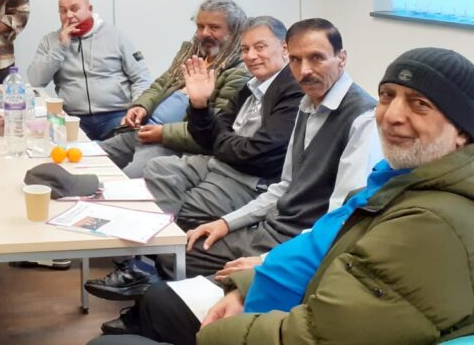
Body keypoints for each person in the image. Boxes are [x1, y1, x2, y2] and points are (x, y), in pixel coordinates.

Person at [91, 47, 474, 345]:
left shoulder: (429, 220)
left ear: (462, 130)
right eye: (388, 96)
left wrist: (216, 333)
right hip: (284, 273)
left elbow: (324, 332)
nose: (391, 115)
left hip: (292, 293)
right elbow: (320, 234)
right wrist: (249, 283)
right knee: (158, 299)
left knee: (153, 304)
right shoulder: (392, 177)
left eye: (420, 105)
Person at [92, 18, 380, 340]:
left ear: (342, 58)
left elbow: (339, 221)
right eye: (297, 59)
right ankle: (156, 311)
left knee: (176, 257)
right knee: (179, 245)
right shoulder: (305, 102)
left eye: (317, 58)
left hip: (294, 243)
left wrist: (266, 260)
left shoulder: (362, 117)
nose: (305, 70)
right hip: (269, 222)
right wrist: (226, 223)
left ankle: (167, 314)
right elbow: (282, 185)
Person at [86, 16, 302, 313]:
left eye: (260, 47)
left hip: (248, 180)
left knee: (168, 213)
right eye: (246, 49)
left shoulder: (292, 90)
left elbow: (257, 151)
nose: (251, 56)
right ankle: (150, 270)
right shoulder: (253, 85)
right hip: (218, 162)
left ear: (285, 49)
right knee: (158, 171)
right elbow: (211, 133)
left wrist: (221, 142)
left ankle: (152, 277)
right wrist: (200, 105)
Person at [96, 0, 250, 176]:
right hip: (144, 131)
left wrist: (163, 133)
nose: (205, 33)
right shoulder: (191, 53)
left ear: (234, 31)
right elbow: (160, 84)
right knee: (92, 158)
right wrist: (140, 106)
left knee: (130, 181)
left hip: (173, 145)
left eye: (214, 27)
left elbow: (217, 128)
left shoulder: (239, 71)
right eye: (200, 26)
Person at [27, 0, 151, 140]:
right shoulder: (50, 41)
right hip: (73, 117)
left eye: (74, 9)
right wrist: (60, 47)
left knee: (120, 153)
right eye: (63, 11)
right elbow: (36, 81)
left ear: (90, 9)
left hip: (116, 114)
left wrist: (137, 107)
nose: (69, 16)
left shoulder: (114, 35)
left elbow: (141, 77)